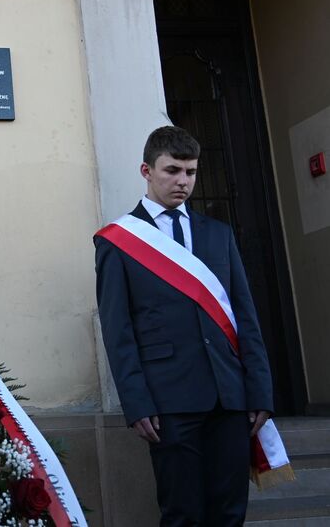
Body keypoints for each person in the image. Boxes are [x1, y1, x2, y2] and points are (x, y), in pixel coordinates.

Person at [94, 126, 273, 526]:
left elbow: (246, 317)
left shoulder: (218, 234)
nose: (183, 181)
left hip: (230, 398)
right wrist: (136, 402)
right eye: (172, 170)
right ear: (147, 170)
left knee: (230, 512)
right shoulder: (118, 241)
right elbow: (117, 330)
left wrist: (259, 391)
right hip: (167, 401)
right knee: (182, 515)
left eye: (190, 172)